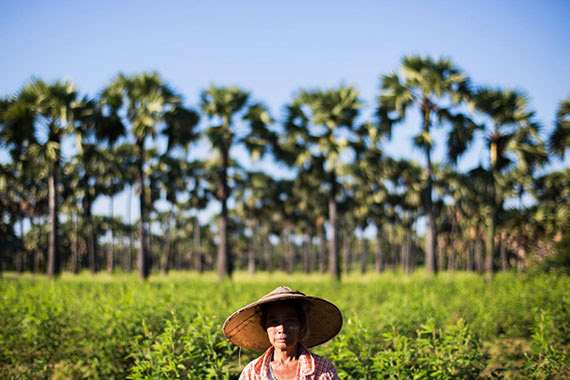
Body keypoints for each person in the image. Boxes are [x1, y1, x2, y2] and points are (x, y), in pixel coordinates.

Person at [223, 286, 342, 380]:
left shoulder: (322, 370)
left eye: (289, 321)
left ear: (301, 324)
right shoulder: (253, 372)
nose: (282, 329)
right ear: (265, 326)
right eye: (274, 322)